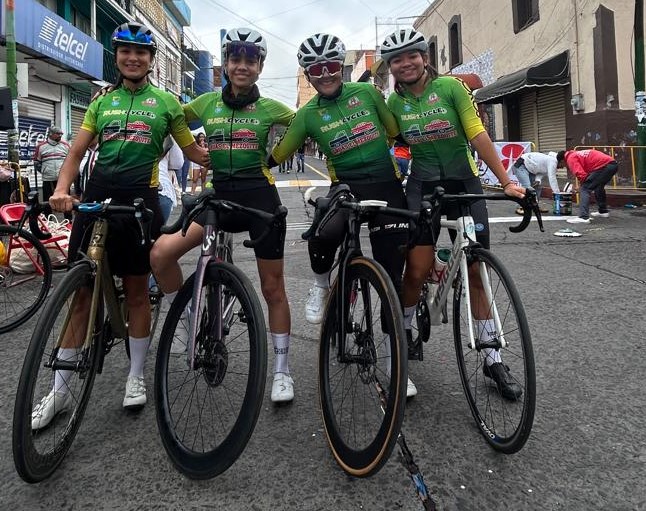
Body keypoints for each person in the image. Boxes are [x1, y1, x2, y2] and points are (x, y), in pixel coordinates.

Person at [31, 22, 209, 430]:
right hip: (95, 198)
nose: (133, 58)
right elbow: (76, 152)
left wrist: (231, 154)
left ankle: (135, 376)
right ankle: (59, 392)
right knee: (80, 295)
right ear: (117, 56)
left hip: (139, 202)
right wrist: (61, 189)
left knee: (137, 292)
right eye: (126, 51)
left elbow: (192, 152)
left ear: (151, 60)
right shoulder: (102, 102)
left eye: (141, 52)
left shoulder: (166, 103)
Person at [149, 28, 297, 403]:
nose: (242, 66)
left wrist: (277, 155)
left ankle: (282, 371)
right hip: (218, 197)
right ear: (226, 65)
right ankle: (186, 319)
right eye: (235, 59)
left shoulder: (271, 108)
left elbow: (304, 121)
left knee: (272, 288)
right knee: (161, 254)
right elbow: (169, 114)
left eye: (250, 60)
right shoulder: (206, 103)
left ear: (260, 66)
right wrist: (192, 151)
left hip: (259, 197)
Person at [382, 28, 526, 401]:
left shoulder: (451, 88)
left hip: (464, 185)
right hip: (423, 188)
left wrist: (506, 181)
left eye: (411, 55)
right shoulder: (393, 104)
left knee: (477, 271)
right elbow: (389, 142)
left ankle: (493, 359)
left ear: (424, 57)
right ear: (390, 67)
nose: (405, 63)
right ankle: (406, 330)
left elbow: (477, 134)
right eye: (396, 59)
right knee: (416, 269)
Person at [269, 33, 415, 397]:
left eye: (332, 66)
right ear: (308, 74)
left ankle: (394, 363)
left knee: (392, 278)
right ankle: (321, 287)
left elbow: (394, 131)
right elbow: (277, 155)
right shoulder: (307, 114)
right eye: (316, 69)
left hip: (386, 184)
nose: (325, 74)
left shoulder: (367, 93)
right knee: (323, 232)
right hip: (346, 187)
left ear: (342, 67)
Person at [556, 149, 618, 224]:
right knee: (598, 186)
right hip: (612, 164)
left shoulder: (570, 158)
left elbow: (581, 175)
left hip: (604, 166)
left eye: (562, 165)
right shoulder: (576, 154)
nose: (564, 167)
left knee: (585, 189)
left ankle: (583, 217)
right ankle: (603, 211)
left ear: (562, 160)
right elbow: (587, 174)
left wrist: (580, 187)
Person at [33, 126, 70, 215]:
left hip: (63, 179)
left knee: (66, 199)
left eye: (61, 134)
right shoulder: (41, 146)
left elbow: (70, 161)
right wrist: (44, 171)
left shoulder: (65, 145)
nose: (60, 135)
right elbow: (36, 162)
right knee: (47, 200)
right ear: (50, 134)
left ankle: (69, 219)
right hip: (48, 178)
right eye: (57, 134)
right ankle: (47, 218)